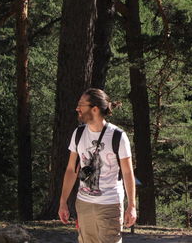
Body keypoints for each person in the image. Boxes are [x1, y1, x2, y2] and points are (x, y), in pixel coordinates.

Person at [58, 88, 137, 243]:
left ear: (94, 109)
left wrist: (132, 205)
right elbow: (71, 170)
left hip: (110, 204)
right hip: (83, 204)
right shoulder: (78, 134)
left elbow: (128, 173)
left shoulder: (118, 136)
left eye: (81, 105)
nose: (77, 108)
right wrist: (63, 202)